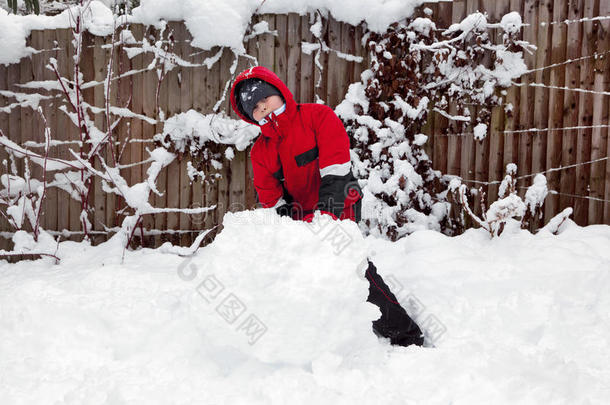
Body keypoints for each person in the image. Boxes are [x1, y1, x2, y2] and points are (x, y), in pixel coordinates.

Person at [230, 66, 424, 347]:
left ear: (279, 93)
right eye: (257, 109)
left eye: (266, 100)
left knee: (356, 272)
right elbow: (270, 194)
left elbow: (336, 171)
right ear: (251, 117)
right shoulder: (261, 151)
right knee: (310, 276)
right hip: (300, 218)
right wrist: (292, 227)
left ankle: (406, 336)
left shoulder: (316, 117)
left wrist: (325, 220)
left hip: (339, 204)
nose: (264, 109)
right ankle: (326, 335)